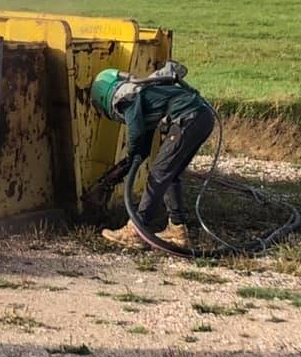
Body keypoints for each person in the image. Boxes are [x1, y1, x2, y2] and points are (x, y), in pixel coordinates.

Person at [90, 61, 214, 249]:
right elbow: (145, 140)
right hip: (202, 116)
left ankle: (137, 230)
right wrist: (132, 161)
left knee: (158, 173)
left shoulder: (126, 98)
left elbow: (137, 132)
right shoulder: (143, 94)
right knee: (170, 175)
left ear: (104, 97)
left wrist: (133, 154)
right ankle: (177, 229)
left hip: (188, 118)